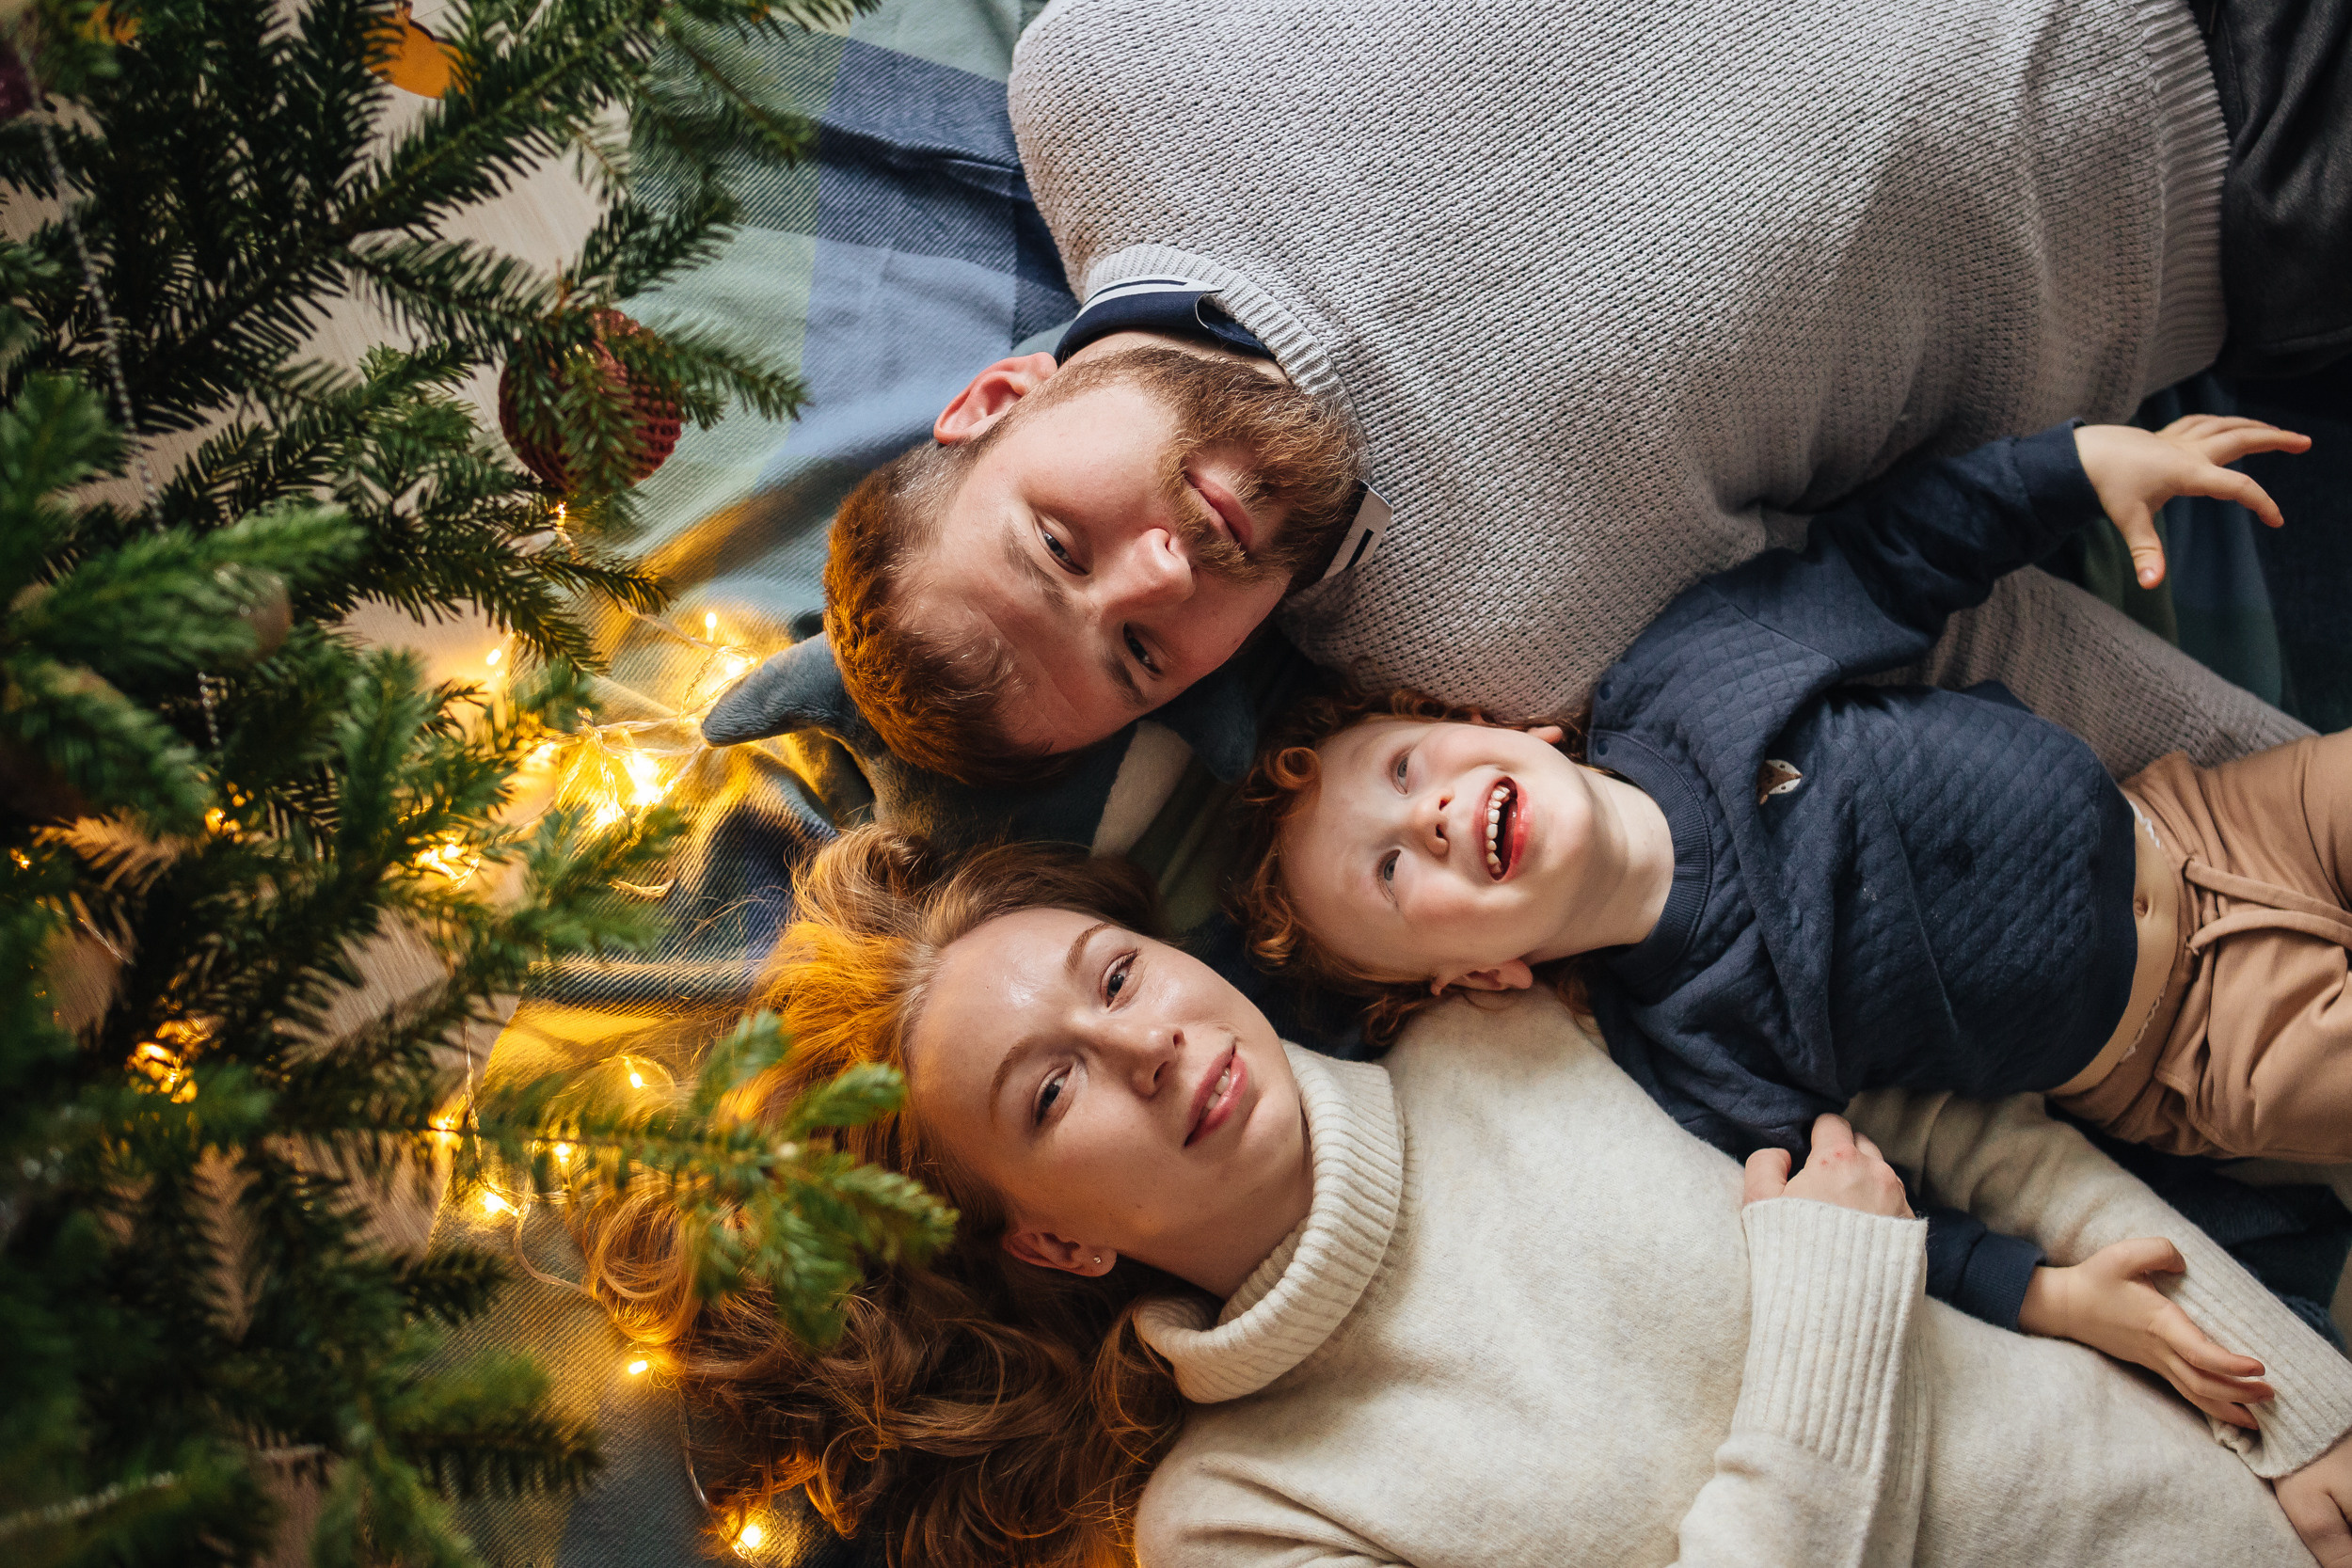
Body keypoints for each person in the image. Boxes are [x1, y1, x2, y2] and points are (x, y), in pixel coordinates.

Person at [582, 825, 2352, 1568]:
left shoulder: (1500, 1015)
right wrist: (1824, 1320)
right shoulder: (1239, 1516)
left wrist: (2305, 1414)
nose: (1139, 1046)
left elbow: (1940, 1111)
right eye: (1049, 1091)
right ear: (1051, 1233)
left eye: (1114, 976)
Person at [804, 0, 2352, 792]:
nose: (1163, 572)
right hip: (2260, 171)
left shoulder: (1106, 70)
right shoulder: (1497, 646)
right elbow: (1957, 629)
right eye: (1142, 653)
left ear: (996, 398)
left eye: (1058, 548)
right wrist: (2306, 809)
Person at [1225, 411, 2351, 1328]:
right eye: (1385, 873)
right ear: (1478, 977)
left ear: (1509, 728)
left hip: (2216, 817)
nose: (1424, 815)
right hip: (2198, 1042)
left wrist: (2071, 467)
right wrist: (2048, 1295)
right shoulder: (1689, 1043)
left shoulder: (1679, 680)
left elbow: (1891, 560)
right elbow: (1865, 1216)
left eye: (1404, 765)